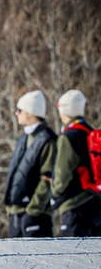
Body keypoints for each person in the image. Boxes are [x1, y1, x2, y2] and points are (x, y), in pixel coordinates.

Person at [4, 90, 56, 237]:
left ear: (30, 113)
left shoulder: (48, 139)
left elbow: (48, 177)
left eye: (19, 110)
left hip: (35, 215)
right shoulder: (22, 139)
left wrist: (33, 210)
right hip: (16, 214)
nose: (16, 113)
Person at [51, 89, 101, 236]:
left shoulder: (68, 137)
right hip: (95, 201)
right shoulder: (90, 132)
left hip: (74, 205)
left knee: (71, 255)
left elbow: (62, 173)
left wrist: (55, 195)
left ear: (64, 110)